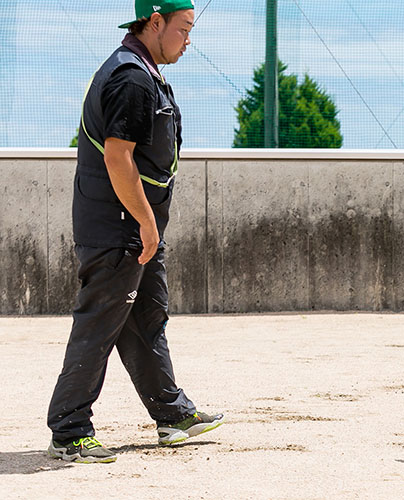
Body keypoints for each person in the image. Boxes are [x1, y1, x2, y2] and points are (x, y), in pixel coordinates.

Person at [47, 0, 222, 464]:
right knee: (99, 324)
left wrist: (149, 225)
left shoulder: (143, 71)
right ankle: (69, 431)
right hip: (118, 229)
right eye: (184, 29)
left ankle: (172, 413)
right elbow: (117, 157)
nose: (190, 40)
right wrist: (146, 223)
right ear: (156, 22)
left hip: (135, 228)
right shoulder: (130, 78)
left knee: (145, 320)